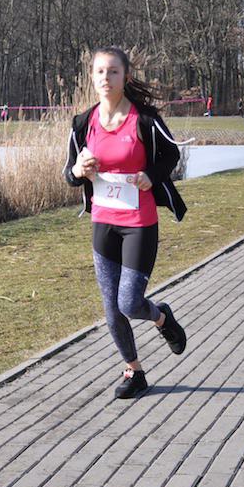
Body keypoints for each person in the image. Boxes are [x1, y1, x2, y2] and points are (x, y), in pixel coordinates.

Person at [64, 46, 188, 399]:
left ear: (126, 77)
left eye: (113, 71)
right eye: (100, 71)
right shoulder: (83, 123)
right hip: (103, 222)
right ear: (92, 77)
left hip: (138, 222)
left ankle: (162, 317)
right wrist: (78, 171)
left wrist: (151, 175)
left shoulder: (144, 119)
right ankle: (134, 371)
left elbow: (171, 155)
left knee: (130, 302)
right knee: (111, 307)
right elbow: (69, 173)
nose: (106, 77)